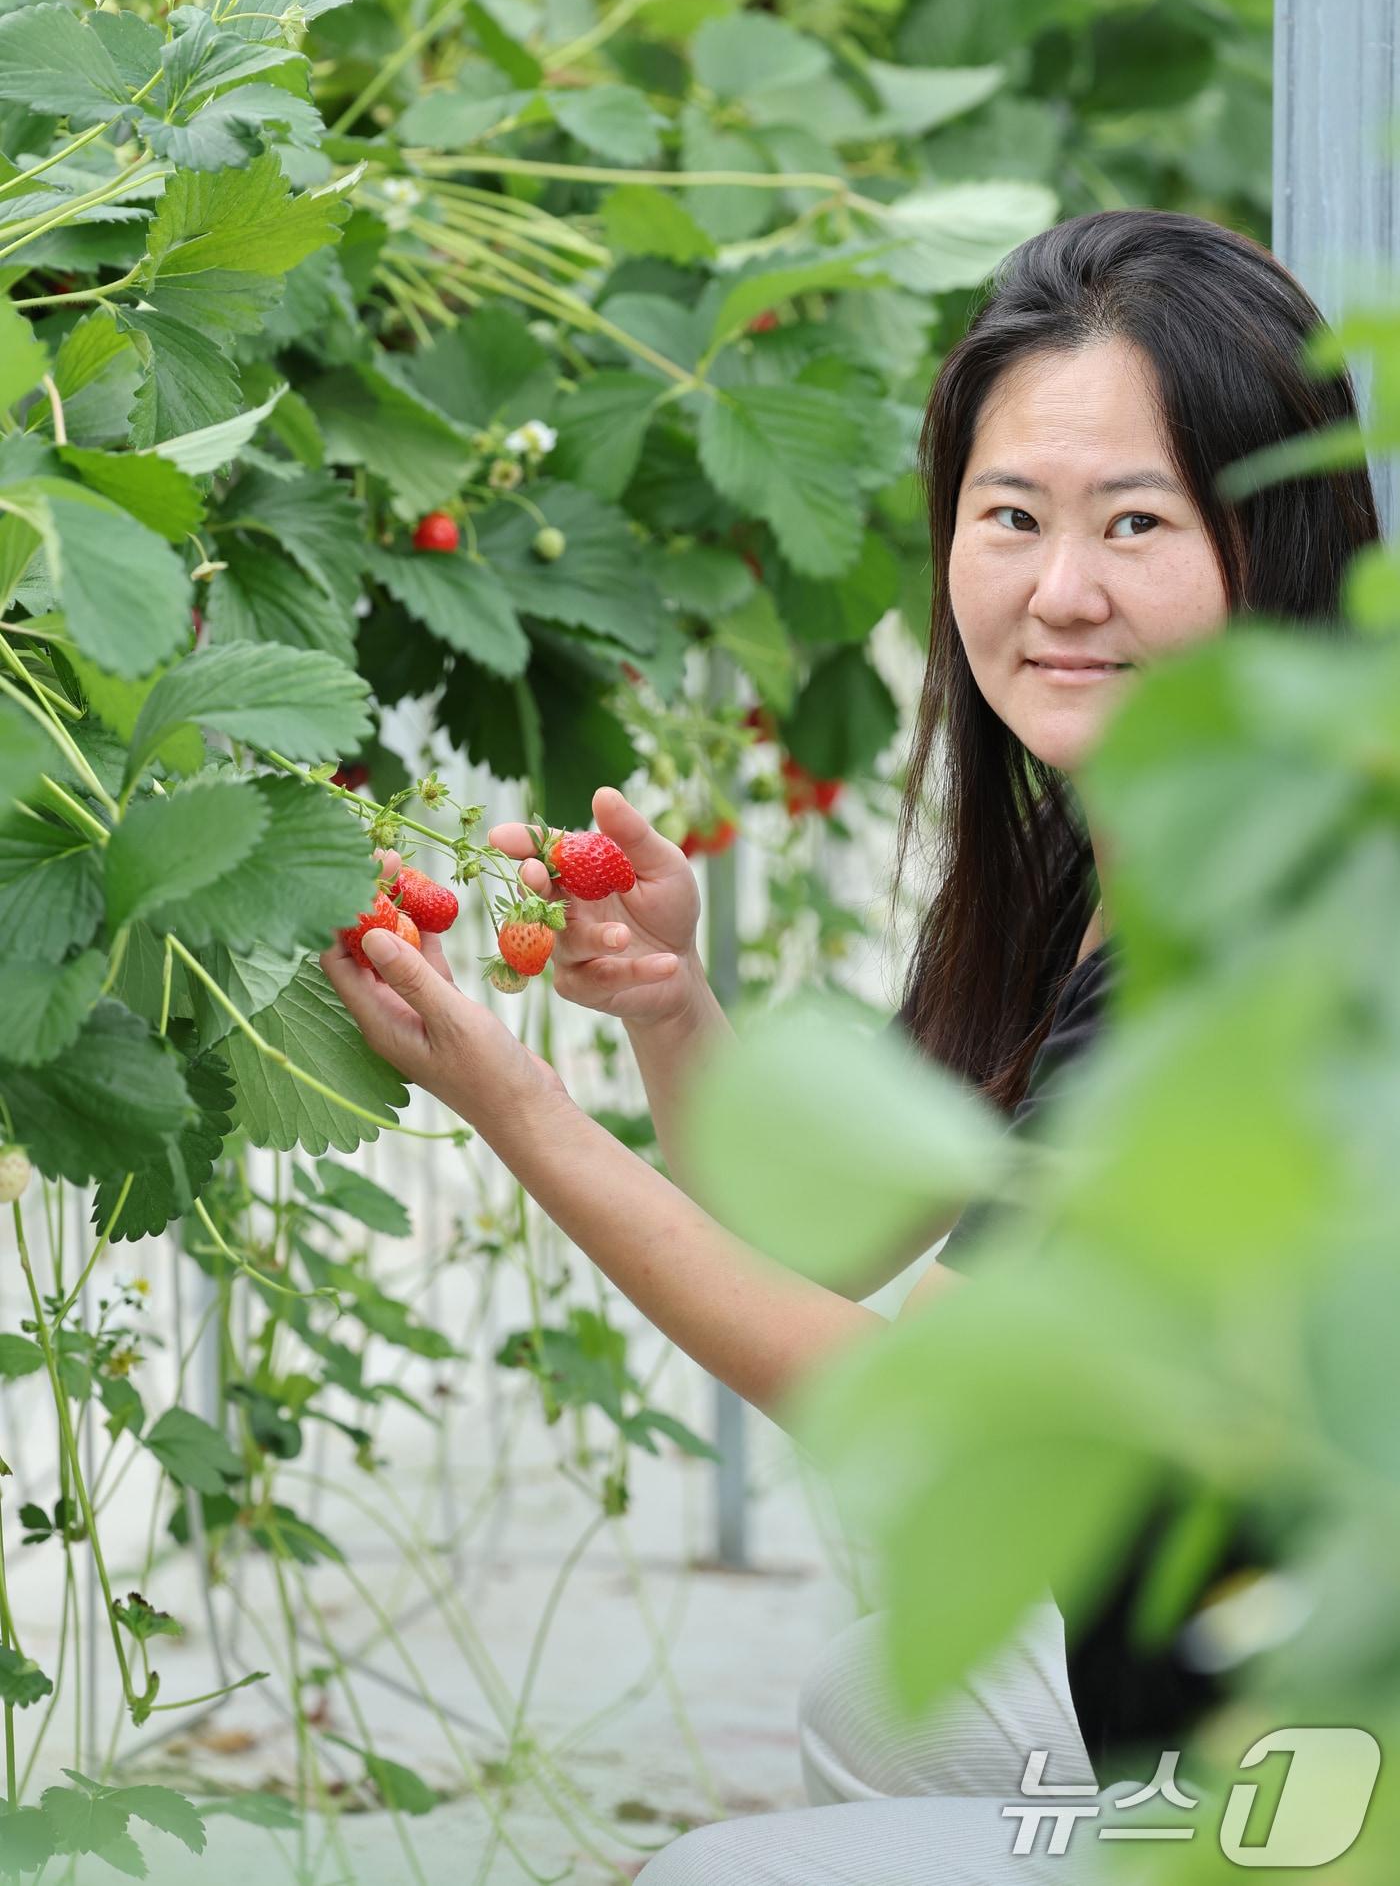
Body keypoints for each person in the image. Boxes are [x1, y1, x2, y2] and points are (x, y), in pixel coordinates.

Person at [322, 209, 1380, 1883]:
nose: (1060, 590)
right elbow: (834, 1232)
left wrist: (518, 1109)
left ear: (1282, 542)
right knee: (876, 1710)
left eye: (1137, 524)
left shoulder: (1251, 936)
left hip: (1318, 1757)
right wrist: (673, 1007)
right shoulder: (1127, 841)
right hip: (1217, 1661)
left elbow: (895, 1400)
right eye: (1010, 516)